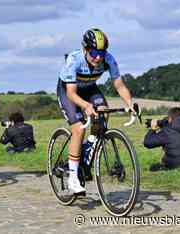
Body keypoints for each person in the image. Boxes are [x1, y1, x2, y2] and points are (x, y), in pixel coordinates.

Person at [57, 28, 136, 194]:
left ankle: (88, 147)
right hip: (68, 91)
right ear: (85, 49)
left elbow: (119, 85)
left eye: (101, 52)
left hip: (90, 88)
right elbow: (71, 93)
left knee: (103, 111)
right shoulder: (74, 60)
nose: (98, 57)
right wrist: (86, 106)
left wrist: (130, 104)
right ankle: (72, 178)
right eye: (93, 53)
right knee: (78, 129)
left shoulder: (108, 59)